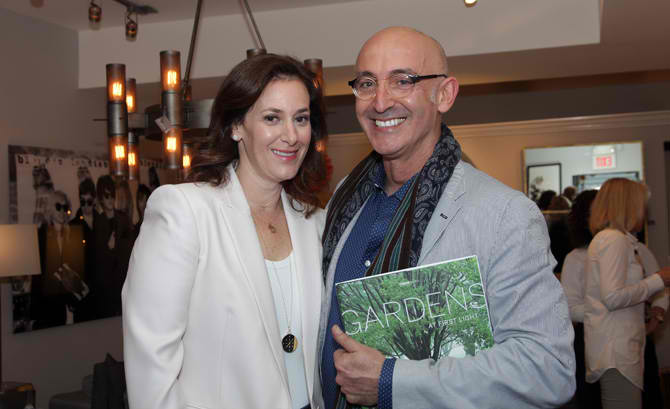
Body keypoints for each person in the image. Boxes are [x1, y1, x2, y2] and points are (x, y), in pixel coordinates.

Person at [316, 26, 575, 409]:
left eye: (402, 80)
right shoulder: (343, 199)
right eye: (367, 83)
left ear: (445, 94)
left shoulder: (503, 215)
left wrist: (391, 381)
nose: (380, 101)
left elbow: (547, 369)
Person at [122, 54, 328, 409]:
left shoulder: (316, 222)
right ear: (235, 127)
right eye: (272, 118)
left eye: (301, 119)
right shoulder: (185, 211)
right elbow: (151, 368)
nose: (291, 136)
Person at [584, 178, 670, 409]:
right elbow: (613, 297)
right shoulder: (613, 240)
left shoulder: (615, 239)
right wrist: (658, 280)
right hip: (616, 350)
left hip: (618, 347)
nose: (644, 211)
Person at [560, 189, 601, 409]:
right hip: (589, 340)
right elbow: (570, 308)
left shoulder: (634, 248)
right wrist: (608, 312)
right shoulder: (576, 258)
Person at [32, 190, 88, 329]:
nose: (62, 211)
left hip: (69, 302)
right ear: (50, 209)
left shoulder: (72, 234)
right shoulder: (41, 235)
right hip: (47, 304)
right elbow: (37, 276)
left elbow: (77, 269)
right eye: (58, 207)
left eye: (65, 207)